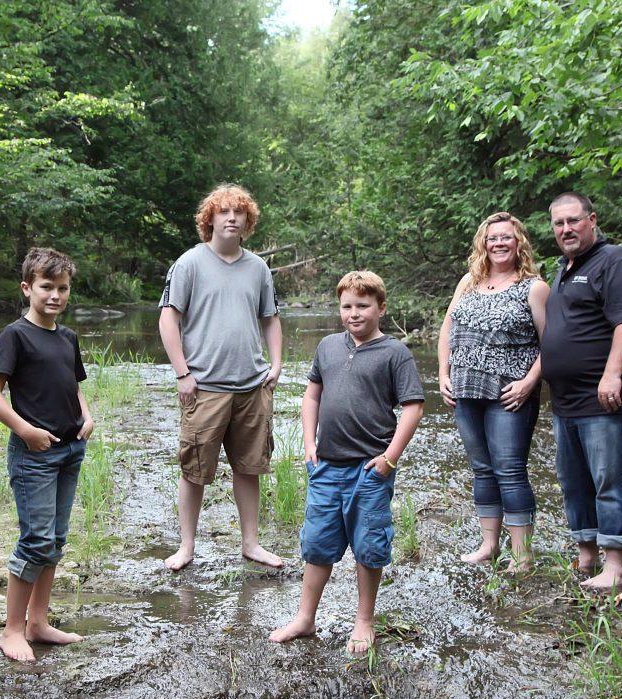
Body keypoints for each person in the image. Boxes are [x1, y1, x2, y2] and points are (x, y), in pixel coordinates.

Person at [270, 271, 424, 655]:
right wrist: (309, 442)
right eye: (347, 306)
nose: (354, 314)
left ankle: (364, 620)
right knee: (318, 543)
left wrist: (390, 458)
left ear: (381, 308)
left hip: (370, 469)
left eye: (363, 306)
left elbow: (413, 407)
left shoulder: (394, 353)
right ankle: (306, 618)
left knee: (369, 544)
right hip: (327, 465)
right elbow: (312, 396)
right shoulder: (327, 346)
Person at [158, 183, 283, 571]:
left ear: (248, 221)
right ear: (209, 219)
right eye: (224, 212)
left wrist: (276, 364)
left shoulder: (258, 268)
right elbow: (168, 318)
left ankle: (251, 543)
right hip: (205, 387)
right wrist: (183, 373)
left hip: (252, 386)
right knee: (194, 470)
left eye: (239, 213)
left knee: (250, 468)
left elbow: (271, 318)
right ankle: (186, 547)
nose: (232, 218)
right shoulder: (189, 263)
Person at [0, 247, 94, 661]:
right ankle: (12, 631)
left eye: (62, 288)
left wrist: (87, 415)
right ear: (27, 288)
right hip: (34, 455)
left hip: (70, 449)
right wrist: (26, 431)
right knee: (35, 540)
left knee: (56, 540)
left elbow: (73, 383)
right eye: (46, 287)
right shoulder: (15, 335)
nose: (55, 296)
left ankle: (39, 622)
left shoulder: (67, 337)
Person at [541, 192, 622, 590]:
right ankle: (587, 555)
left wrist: (612, 374)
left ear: (592, 220)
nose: (566, 229)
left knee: (610, 480)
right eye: (558, 223)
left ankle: (615, 564)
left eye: (573, 220)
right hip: (565, 401)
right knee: (574, 480)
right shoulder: (565, 268)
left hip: (604, 399)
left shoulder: (616, 261)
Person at [437, 212, 550, 572]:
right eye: (492, 238)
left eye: (506, 237)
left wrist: (530, 382)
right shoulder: (469, 281)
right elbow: (447, 328)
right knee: (482, 469)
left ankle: (522, 554)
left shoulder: (534, 287)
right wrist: (443, 372)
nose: (499, 243)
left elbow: (552, 342)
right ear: (483, 244)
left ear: (519, 243)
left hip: (510, 392)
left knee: (510, 469)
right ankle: (489, 545)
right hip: (465, 389)